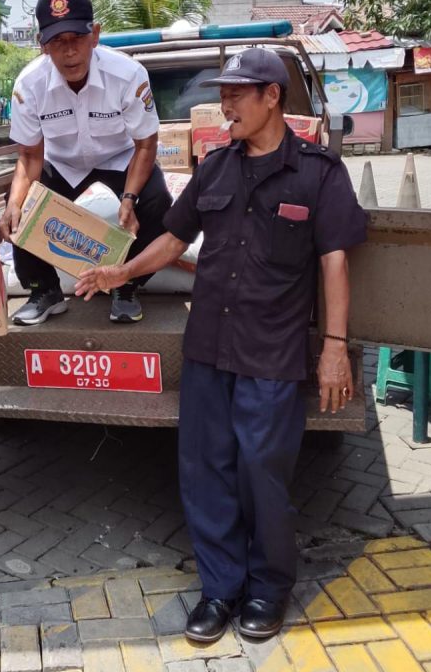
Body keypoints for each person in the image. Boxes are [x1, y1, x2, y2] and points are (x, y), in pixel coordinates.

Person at [76, 48, 367, 641]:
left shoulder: (318, 173)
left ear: (272, 97)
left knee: (262, 474)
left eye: (236, 94)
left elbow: (335, 262)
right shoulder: (215, 168)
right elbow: (173, 239)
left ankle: (267, 589)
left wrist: (334, 347)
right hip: (208, 347)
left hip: (272, 353)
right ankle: (219, 589)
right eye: (222, 94)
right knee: (205, 472)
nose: (224, 105)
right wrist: (120, 272)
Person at [0, 0, 172, 325]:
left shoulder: (128, 75)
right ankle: (44, 290)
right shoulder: (28, 85)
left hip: (121, 158)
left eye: (77, 38)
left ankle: (126, 285)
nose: (69, 52)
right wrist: (15, 203)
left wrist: (129, 197)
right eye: (57, 42)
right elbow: (30, 157)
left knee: (157, 200)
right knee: (20, 204)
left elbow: (145, 145)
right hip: (61, 163)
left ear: (95, 35)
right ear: (42, 44)